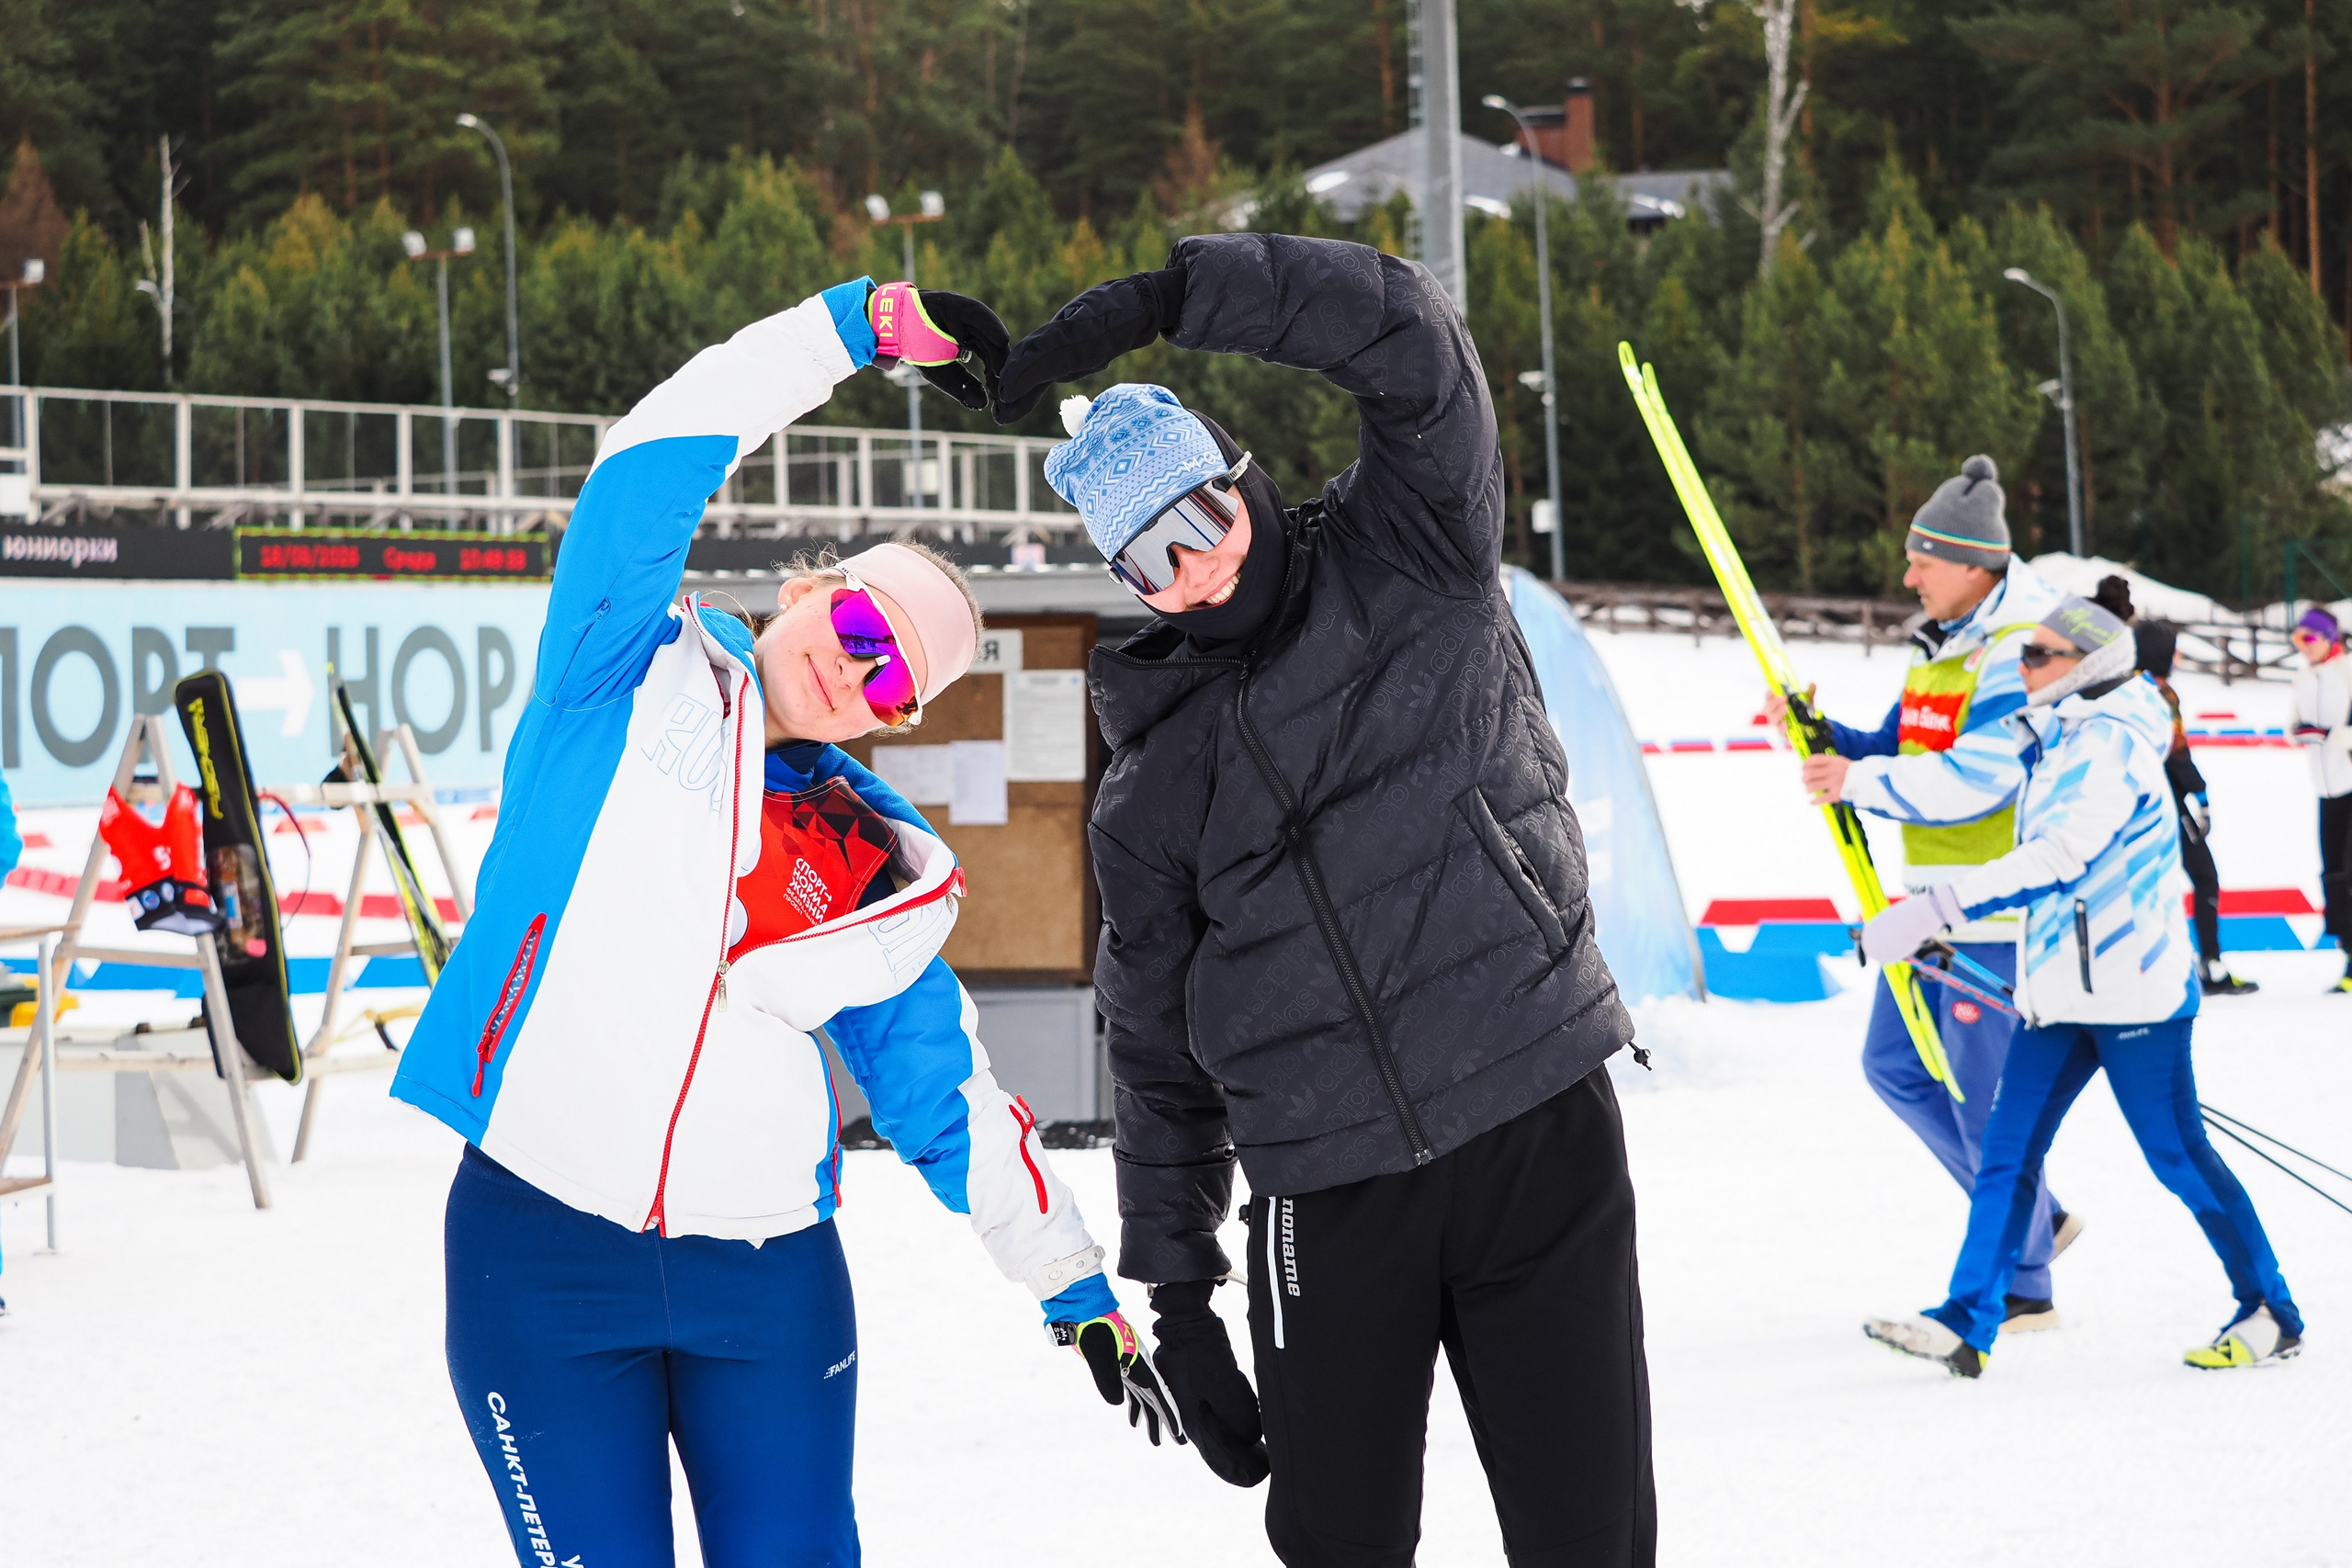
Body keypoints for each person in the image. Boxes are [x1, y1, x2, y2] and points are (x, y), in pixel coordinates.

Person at [391, 278, 1170, 1566]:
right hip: (537, 1253)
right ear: (811, 587)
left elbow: (944, 1091)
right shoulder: (621, 666)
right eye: (858, 623)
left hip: (765, 1285)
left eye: (891, 679)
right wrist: (854, 330)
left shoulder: (877, 867)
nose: (855, 666)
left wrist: (1071, 1281)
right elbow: (659, 444)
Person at [993, 233, 1655, 1567]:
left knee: (1590, 1536)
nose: (1197, 572)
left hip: (1533, 1119)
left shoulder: (1416, 546)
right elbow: (1156, 1050)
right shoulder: (1153, 778)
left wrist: (1171, 299)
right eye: (1150, 562)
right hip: (1325, 1192)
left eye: (1203, 521)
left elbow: (1413, 340)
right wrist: (1179, 1292)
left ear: (1247, 481)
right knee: (1339, 1541)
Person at [1858, 597, 2303, 1377]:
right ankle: (1970, 1321)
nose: (2023, 665)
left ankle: (2270, 1307)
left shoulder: (2111, 743)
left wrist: (1936, 906)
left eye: (2040, 654)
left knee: (2177, 1157)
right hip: (2059, 993)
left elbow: (2061, 854)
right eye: (2024, 652)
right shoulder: (2057, 736)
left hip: (2135, 994)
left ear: (2087, 664)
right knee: (2006, 1151)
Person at [1766, 456, 2077, 1330]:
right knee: (1894, 1066)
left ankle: (2025, 1282)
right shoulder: (1942, 643)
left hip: (1992, 910)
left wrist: (1856, 781)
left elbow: (1974, 779)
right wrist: (1827, 738)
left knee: (1984, 1101)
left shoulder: (2020, 651)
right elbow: (1897, 746)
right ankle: (2035, 1216)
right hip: (1927, 906)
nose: (1907, 576)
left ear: (1974, 564)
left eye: (1922, 561)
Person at [2088, 575, 2256, 996]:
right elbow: (2176, 753)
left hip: (2123, 801)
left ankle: (2133, 967)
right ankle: (2209, 967)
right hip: (2162, 801)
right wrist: (2199, 795)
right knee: (2202, 877)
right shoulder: (2157, 695)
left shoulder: (2116, 688)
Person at [2288, 604, 2352, 994]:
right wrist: (2303, 732)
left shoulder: (2348, 671)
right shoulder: (2302, 677)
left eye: (2308, 638)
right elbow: (2291, 723)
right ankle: (2348, 954)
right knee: (2333, 875)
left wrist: (2336, 737)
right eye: (2296, 639)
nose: (2302, 646)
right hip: (2324, 786)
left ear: (2329, 639)